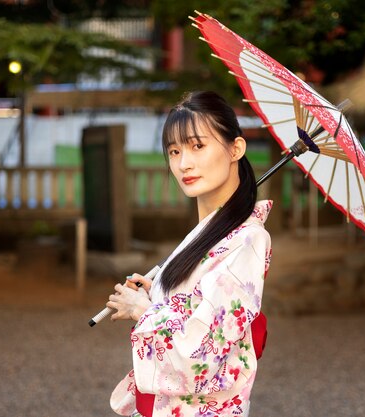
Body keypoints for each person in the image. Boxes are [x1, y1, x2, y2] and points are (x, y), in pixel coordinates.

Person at [107, 91, 272, 417]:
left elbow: (200, 354)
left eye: (198, 146)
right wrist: (156, 295)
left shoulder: (248, 241)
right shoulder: (209, 235)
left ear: (235, 148)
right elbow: (196, 311)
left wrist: (144, 312)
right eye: (174, 150)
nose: (184, 163)